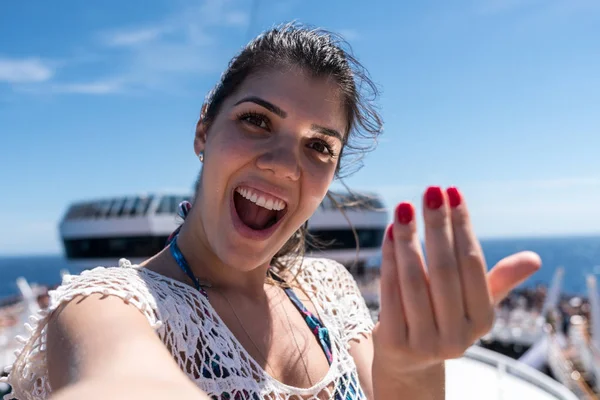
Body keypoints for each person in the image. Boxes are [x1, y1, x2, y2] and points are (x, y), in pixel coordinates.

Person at [1, 23, 541, 400]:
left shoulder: (328, 291)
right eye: (258, 120)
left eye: (319, 146)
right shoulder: (104, 309)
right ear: (203, 131)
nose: (286, 165)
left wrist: (415, 367)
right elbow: (120, 382)